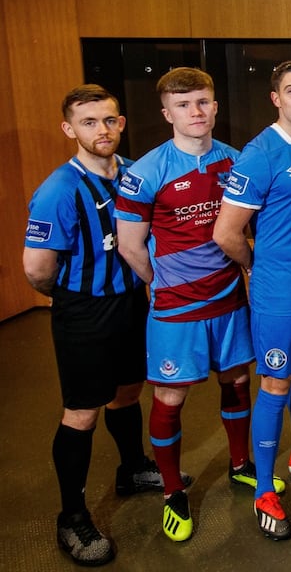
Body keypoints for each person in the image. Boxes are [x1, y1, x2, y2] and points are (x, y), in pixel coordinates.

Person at [115, 67, 283, 543]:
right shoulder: (145, 171)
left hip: (229, 301)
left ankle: (239, 464)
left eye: (203, 102)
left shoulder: (236, 161)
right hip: (176, 310)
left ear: (215, 106)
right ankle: (172, 491)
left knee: (237, 381)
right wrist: (164, 283)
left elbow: (247, 228)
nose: (196, 112)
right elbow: (131, 246)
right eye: (184, 105)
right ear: (166, 112)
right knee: (171, 397)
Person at [23, 84, 183, 566]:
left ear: (122, 123)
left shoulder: (136, 173)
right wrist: (75, 300)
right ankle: (71, 517)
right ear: (69, 129)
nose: (102, 130)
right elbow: (37, 270)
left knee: (130, 391)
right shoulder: (58, 191)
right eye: (89, 122)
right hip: (84, 312)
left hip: (133, 303)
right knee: (83, 411)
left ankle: (132, 468)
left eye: (110, 120)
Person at [213, 59, 291, 541]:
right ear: (275, 98)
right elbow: (226, 232)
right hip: (280, 293)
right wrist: (256, 265)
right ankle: (265, 488)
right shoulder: (259, 154)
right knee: (276, 383)